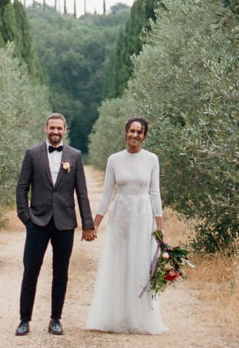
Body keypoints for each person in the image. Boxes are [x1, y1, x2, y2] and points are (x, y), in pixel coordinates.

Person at [15, 113, 95, 336]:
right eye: (52, 128)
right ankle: (24, 320)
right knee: (31, 271)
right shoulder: (32, 154)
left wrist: (88, 223)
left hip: (65, 223)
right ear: (45, 129)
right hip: (37, 222)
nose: (55, 132)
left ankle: (55, 319)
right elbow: (21, 187)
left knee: (61, 273)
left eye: (59, 128)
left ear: (65, 130)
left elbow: (82, 192)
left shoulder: (75, 156)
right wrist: (26, 218)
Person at [86, 117, 167, 334]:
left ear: (144, 136)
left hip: (143, 216)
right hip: (120, 215)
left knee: (140, 264)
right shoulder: (114, 160)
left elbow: (155, 193)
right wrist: (94, 225)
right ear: (125, 133)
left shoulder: (152, 159)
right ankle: (116, 317)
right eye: (132, 131)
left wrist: (160, 228)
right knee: (119, 263)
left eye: (139, 132)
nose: (135, 135)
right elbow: (106, 195)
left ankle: (140, 318)